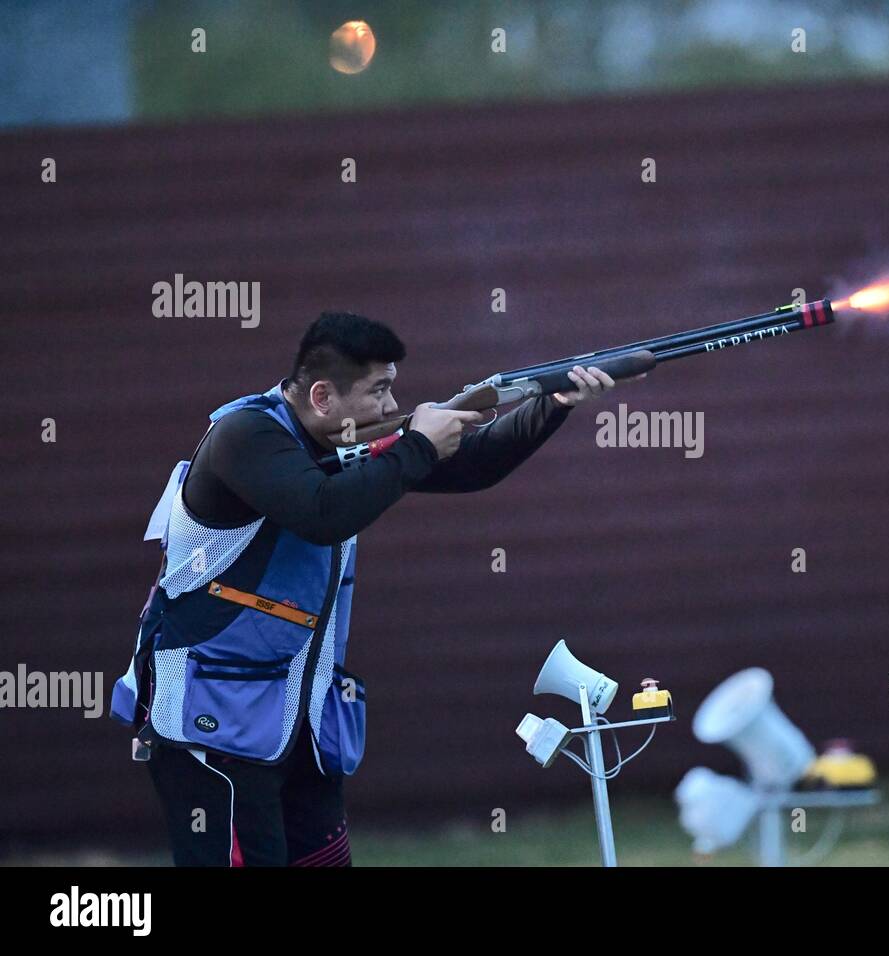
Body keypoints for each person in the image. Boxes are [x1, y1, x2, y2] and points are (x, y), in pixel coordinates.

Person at [110, 311, 632, 866]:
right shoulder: (246, 436)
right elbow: (323, 512)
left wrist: (552, 403)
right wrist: (418, 445)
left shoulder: (339, 440)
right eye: (378, 390)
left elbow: (478, 465)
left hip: (300, 723)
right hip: (214, 730)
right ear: (321, 396)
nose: (390, 406)